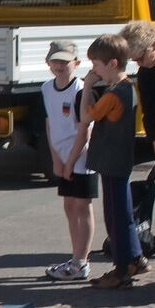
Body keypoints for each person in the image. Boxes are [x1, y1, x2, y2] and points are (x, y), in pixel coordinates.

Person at [64, 34, 150, 288]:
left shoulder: (113, 94)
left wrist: (87, 86)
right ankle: (135, 258)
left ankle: (122, 269)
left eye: (96, 65)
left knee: (115, 215)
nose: (93, 70)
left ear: (112, 64)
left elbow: (85, 117)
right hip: (120, 160)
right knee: (121, 212)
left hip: (112, 162)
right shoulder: (128, 87)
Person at [41, 40, 96, 281]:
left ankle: (81, 262)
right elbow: (50, 122)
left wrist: (71, 161)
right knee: (69, 206)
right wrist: (56, 160)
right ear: (47, 62)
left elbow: (85, 130)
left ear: (77, 63)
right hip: (62, 157)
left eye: (65, 61)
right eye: (55, 61)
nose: (59, 66)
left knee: (82, 206)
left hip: (83, 158)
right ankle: (75, 257)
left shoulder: (82, 91)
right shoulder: (46, 88)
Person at [119, 20, 155, 159]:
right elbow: (150, 111)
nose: (138, 64)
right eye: (134, 60)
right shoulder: (144, 72)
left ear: (154, 45)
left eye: (140, 58)